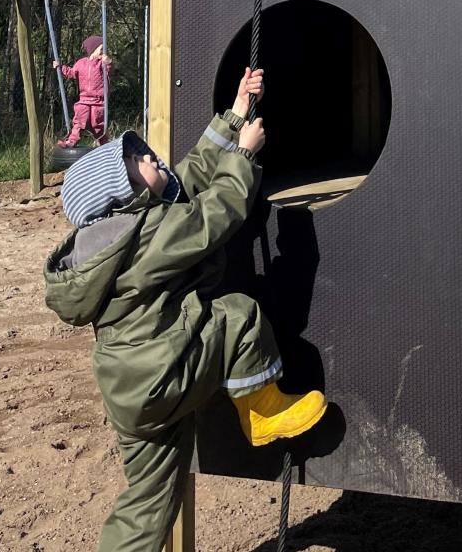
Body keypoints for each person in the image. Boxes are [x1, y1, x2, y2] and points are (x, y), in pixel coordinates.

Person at [43, 68, 327, 551]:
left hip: (130, 394)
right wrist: (243, 155)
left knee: (148, 504)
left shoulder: (108, 240)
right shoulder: (146, 234)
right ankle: (260, 409)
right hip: (162, 376)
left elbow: (188, 176)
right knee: (237, 314)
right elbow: (211, 214)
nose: (146, 155)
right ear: (125, 194)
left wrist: (235, 116)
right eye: (134, 159)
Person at [53, 35, 113, 148]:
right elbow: (71, 72)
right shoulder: (81, 63)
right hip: (84, 100)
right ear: (92, 50)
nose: (103, 51)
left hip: (98, 101)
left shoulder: (102, 64)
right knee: (79, 122)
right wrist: (60, 67)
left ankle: (105, 144)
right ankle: (71, 141)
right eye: (101, 49)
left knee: (97, 125)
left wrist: (108, 62)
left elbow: (109, 72)